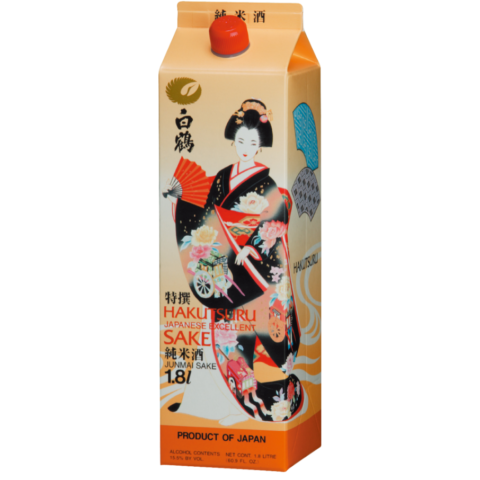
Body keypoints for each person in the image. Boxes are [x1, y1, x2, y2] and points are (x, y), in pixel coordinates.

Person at [163, 99, 303, 422]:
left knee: (264, 323)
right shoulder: (223, 177)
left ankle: (272, 391)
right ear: (233, 141)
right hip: (225, 259)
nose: (246, 148)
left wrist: (251, 247)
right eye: (241, 141)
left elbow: (275, 220)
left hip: (255, 266)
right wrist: (181, 202)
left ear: (260, 146)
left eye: (252, 143)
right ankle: (229, 396)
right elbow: (207, 212)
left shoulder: (266, 184)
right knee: (229, 331)